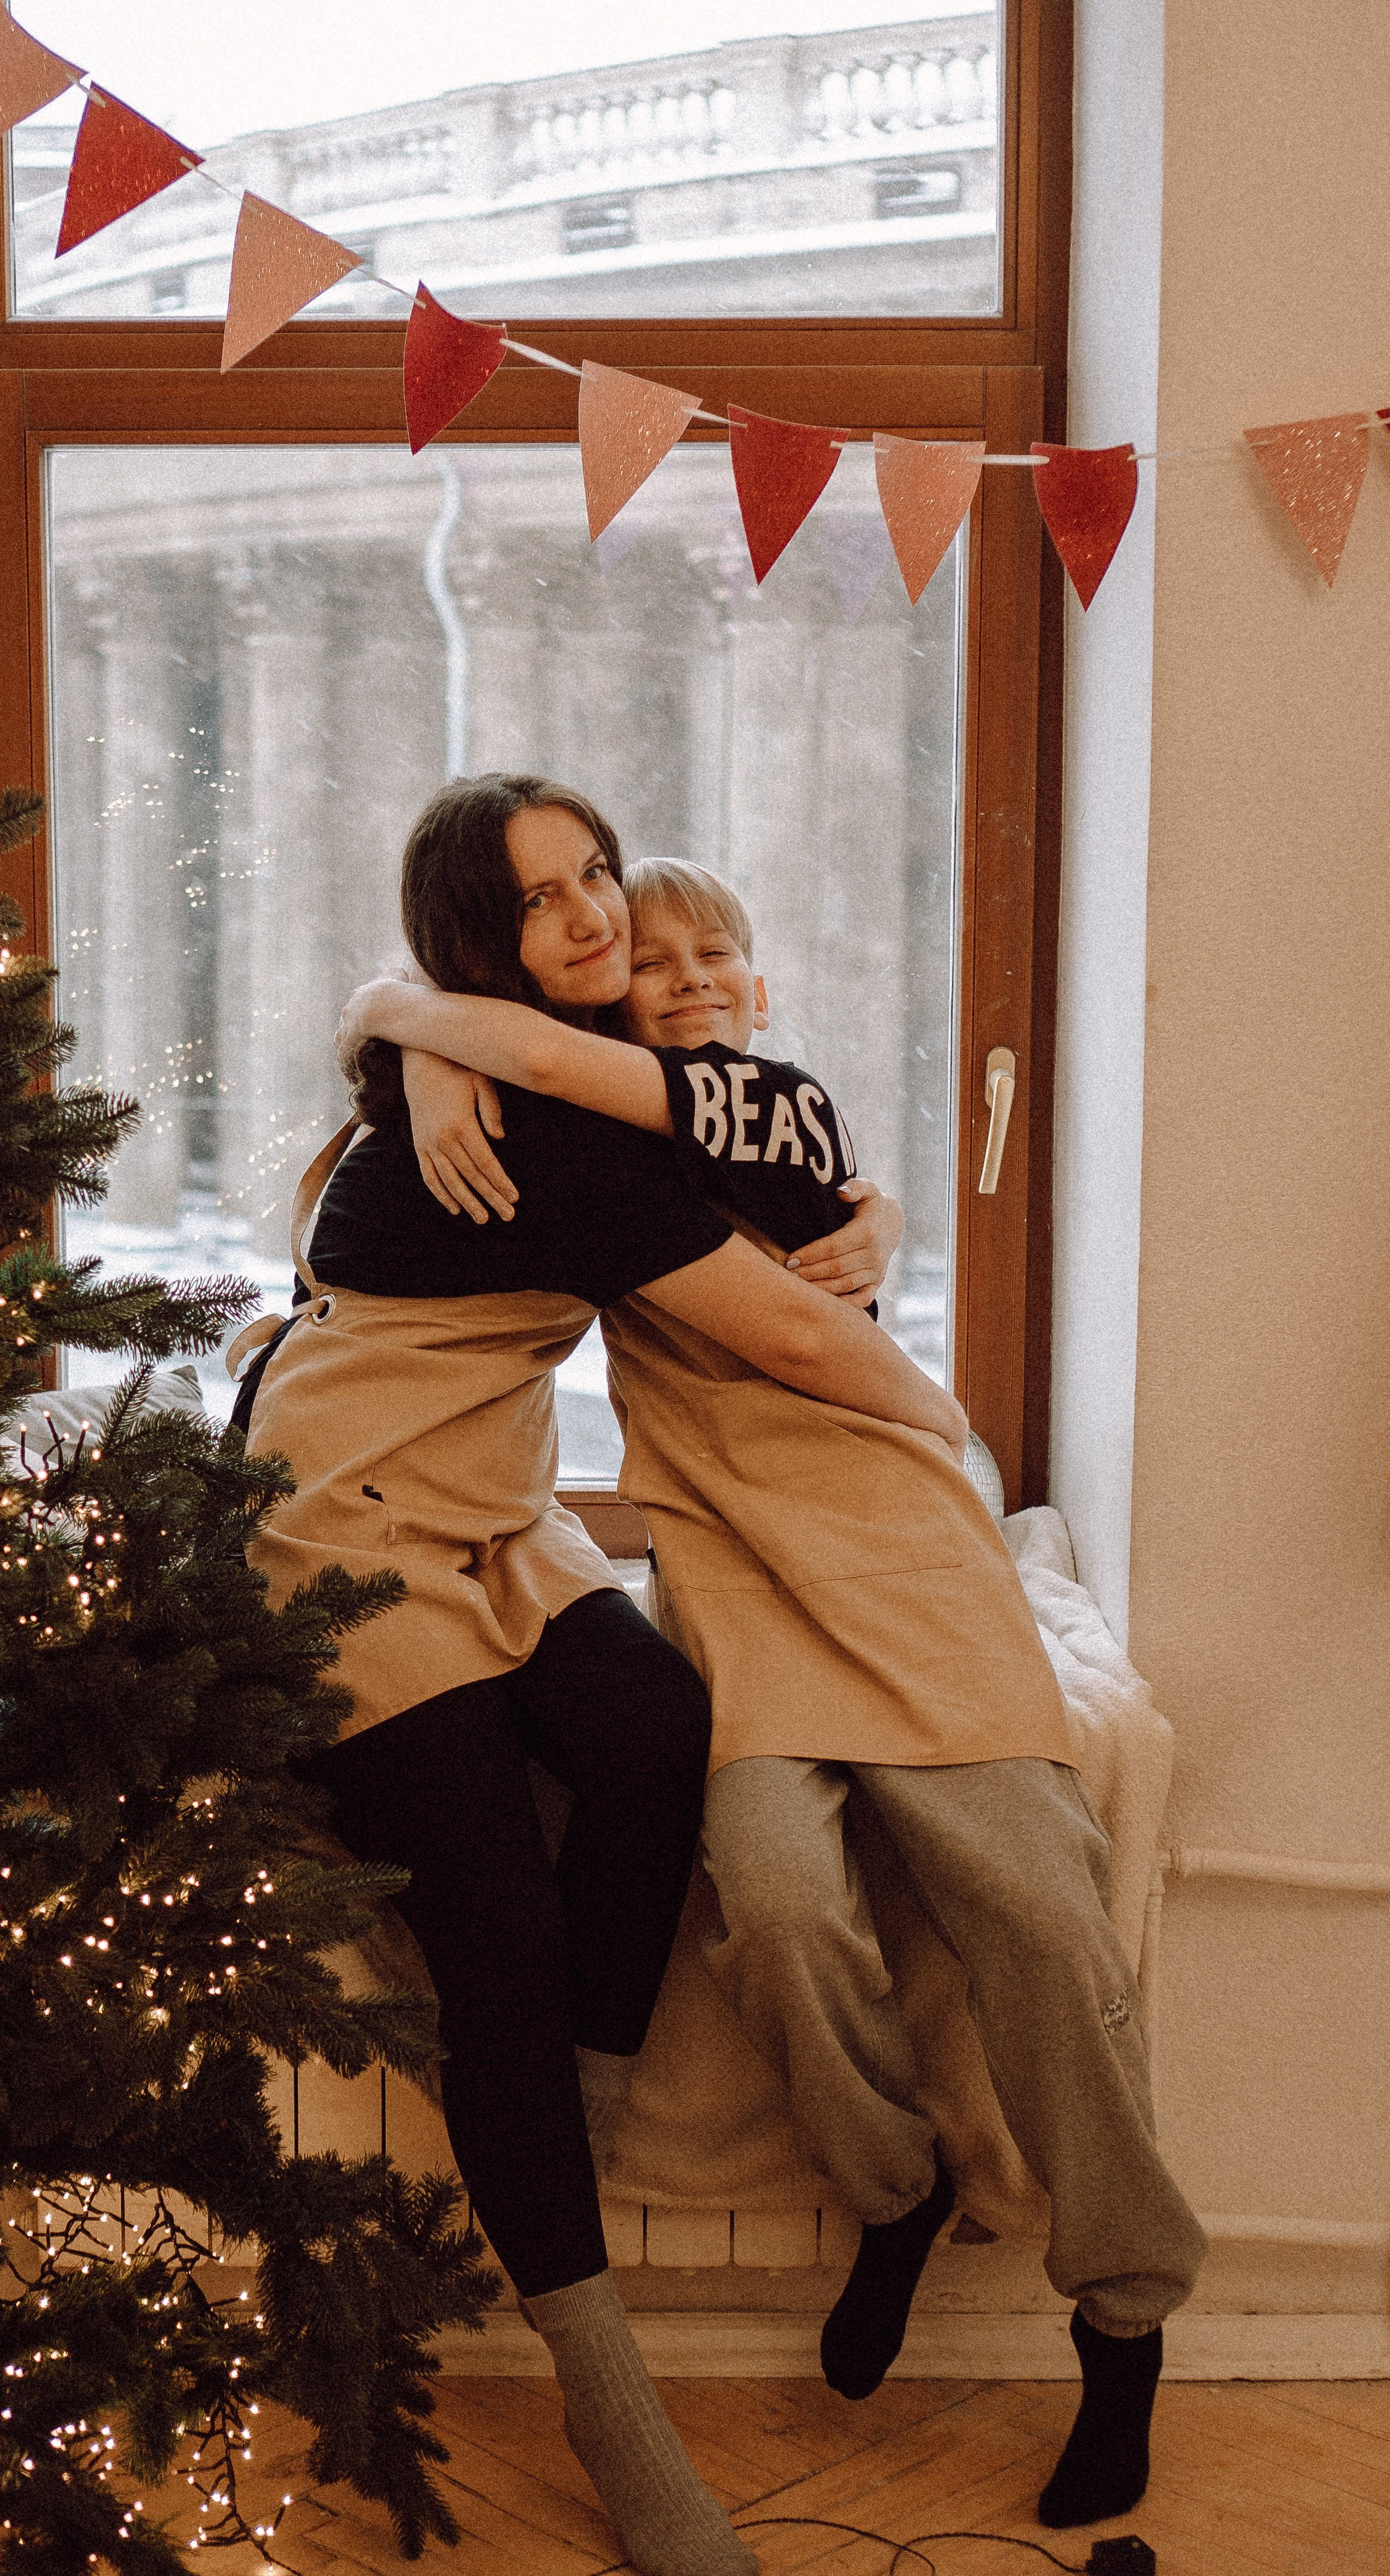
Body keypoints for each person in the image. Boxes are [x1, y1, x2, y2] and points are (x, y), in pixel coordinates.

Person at [337, 845, 1208, 2532]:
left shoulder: (768, 1112)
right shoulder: (594, 1132)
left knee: (1037, 1913)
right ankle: (889, 2190)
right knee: (785, 1909)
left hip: (893, 1543)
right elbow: (531, 1066)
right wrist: (423, 1037)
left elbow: (810, 1324)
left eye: (704, 952)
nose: (670, 976)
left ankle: (1124, 2322)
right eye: (635, 959)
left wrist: (412, 1017)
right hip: (733, 1565)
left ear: (757, 981)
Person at [236, 780, 968, 2576]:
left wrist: (867, 1207)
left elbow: (785, 1168)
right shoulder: (532, 1120)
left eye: (599, 877)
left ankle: (567, 2106)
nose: (588, 919)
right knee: (489, 1921)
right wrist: (949, 1433)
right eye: (538, 902)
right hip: (335, 1536)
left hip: (494, 1513)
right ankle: (602, 2388)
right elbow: (791, 1331)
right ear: (479, 947)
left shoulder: (540, 1070)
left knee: (655, 1734)